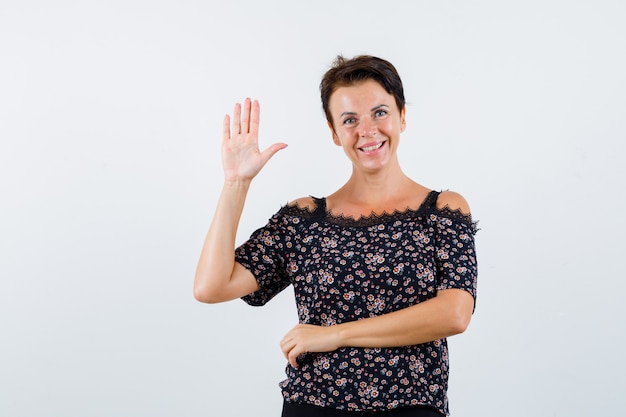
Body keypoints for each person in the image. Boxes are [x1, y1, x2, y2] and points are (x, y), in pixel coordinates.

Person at [194, 55, 478, 417]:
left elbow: (454, 313)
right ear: (333, 132)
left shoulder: (443, 210)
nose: (367, 130)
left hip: (410, 407)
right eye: (349, 120)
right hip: (313, 406)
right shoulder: (306, 220)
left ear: (402, 116)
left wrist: (334, 334)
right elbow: (211, 286)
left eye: (379, 112)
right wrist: (236, 183)